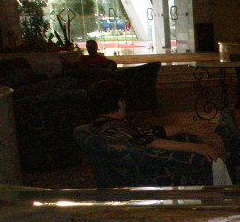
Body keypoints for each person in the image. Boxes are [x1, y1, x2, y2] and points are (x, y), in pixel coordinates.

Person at [88, 79, 231, 184]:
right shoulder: (117, 128)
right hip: (152, 169)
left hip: (146, 165)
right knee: (216, 163)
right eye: (122, 100)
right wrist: (197, 147)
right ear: (118, 103)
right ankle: (226, 202)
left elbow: (150, 132)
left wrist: (182, 128)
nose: (125, 104)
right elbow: (152, 142)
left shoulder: (105, 125)